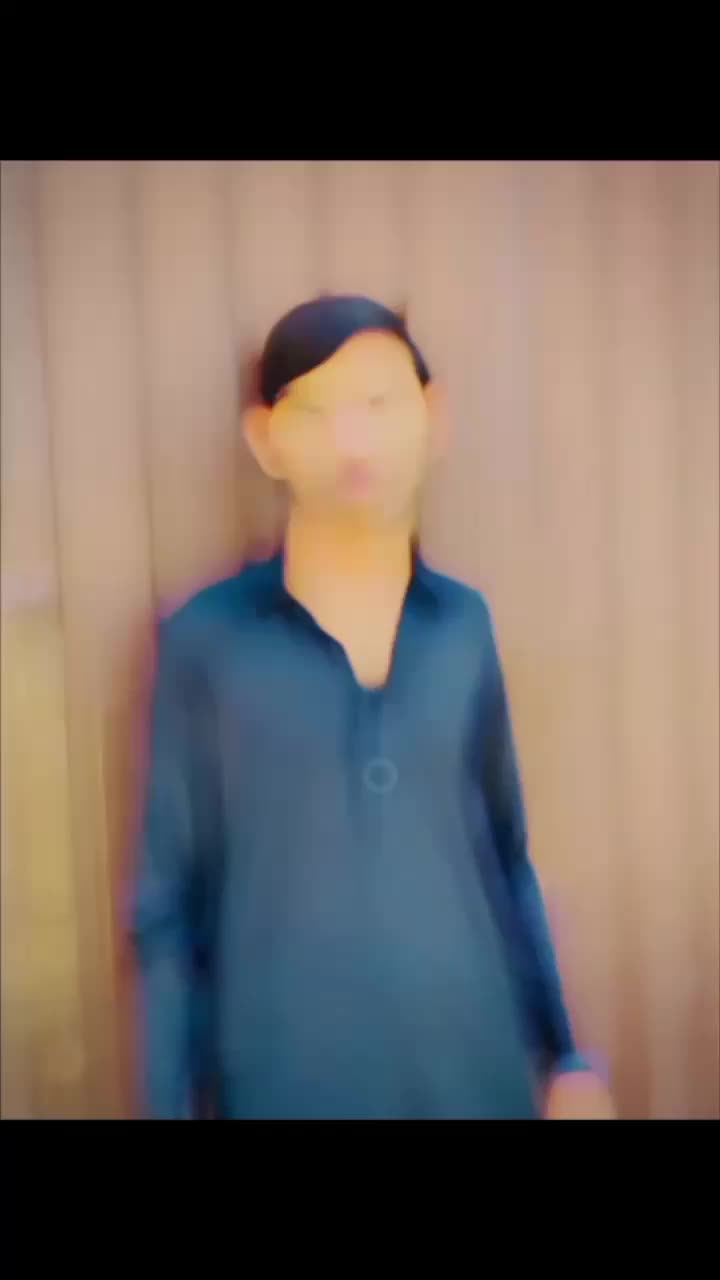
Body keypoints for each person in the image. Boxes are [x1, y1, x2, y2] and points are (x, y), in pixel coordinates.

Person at [132, 294, 615, 1120]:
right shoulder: (205, 641)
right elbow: (165, 912)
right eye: (314, 411)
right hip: (289, 1087)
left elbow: (507, 854)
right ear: (264, 439)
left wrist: (566, 1057)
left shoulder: (462, 626)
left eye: (379, 402)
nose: (352, 439)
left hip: (478, 1074)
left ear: (433, 417)